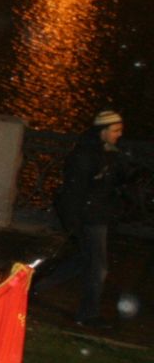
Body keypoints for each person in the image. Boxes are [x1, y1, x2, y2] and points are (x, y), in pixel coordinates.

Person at [34, 110, 143, 327]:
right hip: (89, 218)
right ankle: (87, 314)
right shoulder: (84, 156)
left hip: (101, 216)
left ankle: (34, 287)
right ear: (102, 131)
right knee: (98, 266)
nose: (119, 134)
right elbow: (75, 192)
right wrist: (73, 222)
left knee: (84, 260)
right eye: (115, 130)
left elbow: (117, 181)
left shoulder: (111, 153)